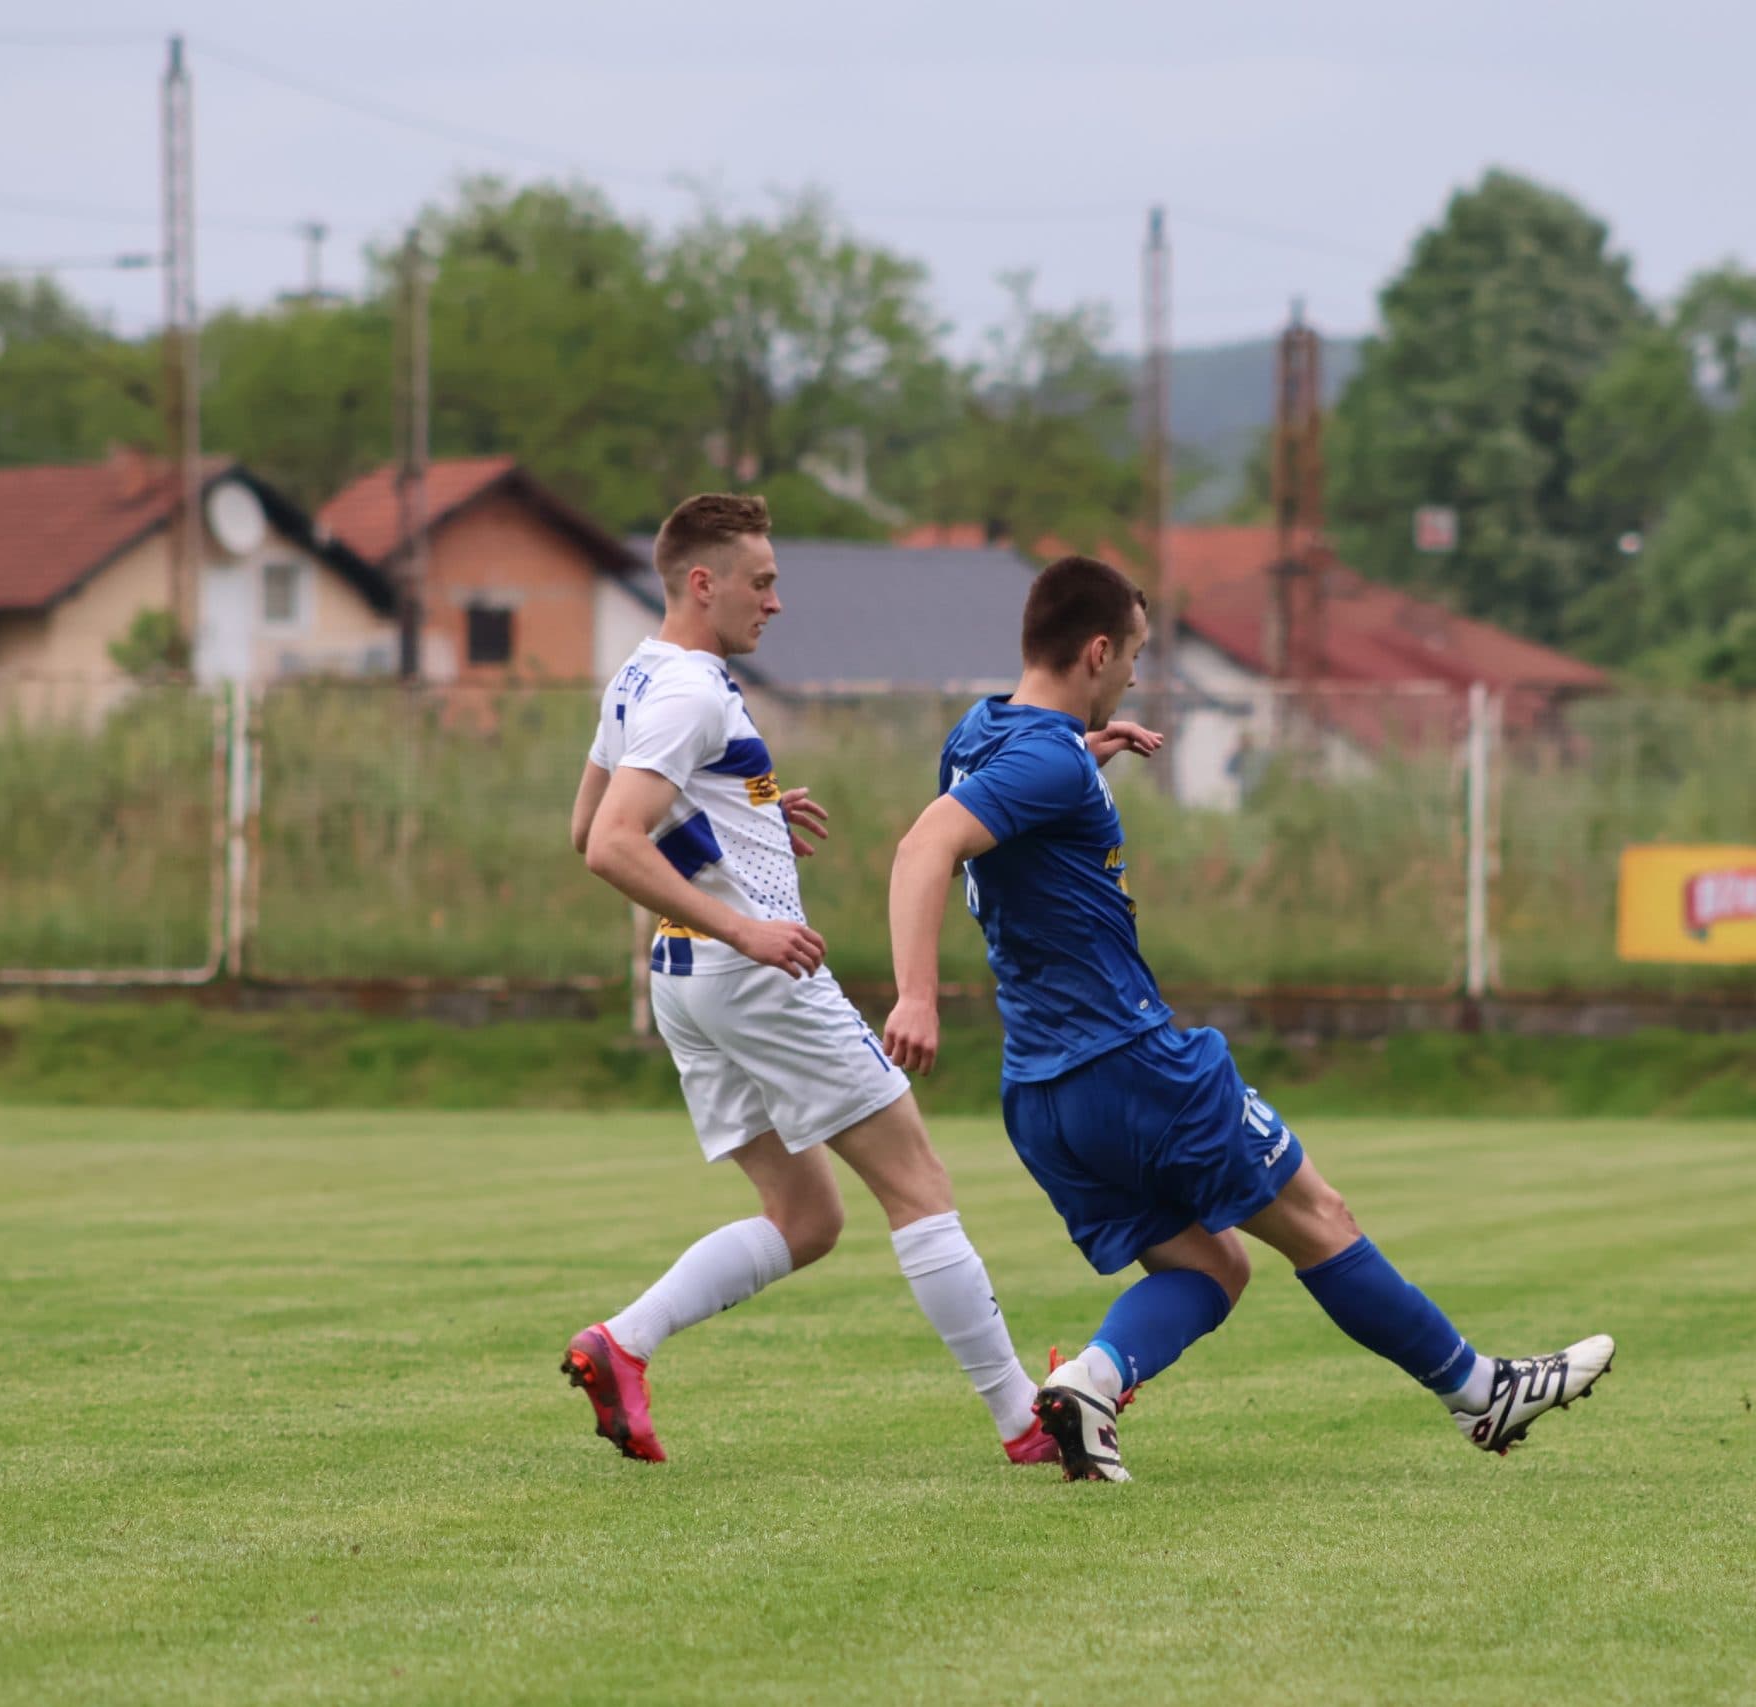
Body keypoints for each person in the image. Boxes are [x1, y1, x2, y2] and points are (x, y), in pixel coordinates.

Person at [881, 555, 1612, 1482]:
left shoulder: (979, 735)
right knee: (1319, 1215)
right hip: (1136, 1068)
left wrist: (1082, 757)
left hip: (1041, 1096)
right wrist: (914, 992)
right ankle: (1479, 1390)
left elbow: (989, 806)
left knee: (1213, 1269)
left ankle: (1090, 1386)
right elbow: (925, 844)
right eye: (1134, 656)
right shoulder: (1045, 759)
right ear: (1097, 650)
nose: (1137, 676)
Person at [562, 492, 1054, 1466]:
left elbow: (596, 825)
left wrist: (739, 821)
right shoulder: (692, 691)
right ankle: (1023, 1421)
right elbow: (609, 847)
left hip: (686, 982)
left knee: (807, 1218)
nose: (776, 601)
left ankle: (621, 1344)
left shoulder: (638, 677)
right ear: (703, 583)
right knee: (917, 1183)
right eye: (763, 580)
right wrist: (746, 924)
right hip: (747, 976)